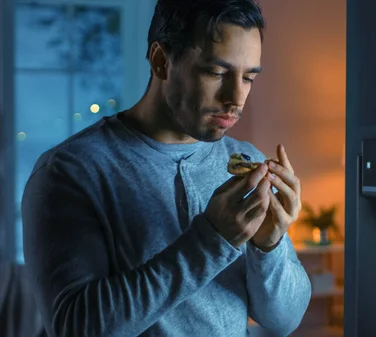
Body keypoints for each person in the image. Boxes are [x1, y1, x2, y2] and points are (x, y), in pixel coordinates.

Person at [21, 0, 312, 336]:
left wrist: (269, 245)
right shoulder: (70, 172)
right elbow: (74, 328)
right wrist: (212, 240)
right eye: (217, 73)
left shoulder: (245, 160)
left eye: (248, 77)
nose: (236, 97)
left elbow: (285, 321)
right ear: (161, 61)